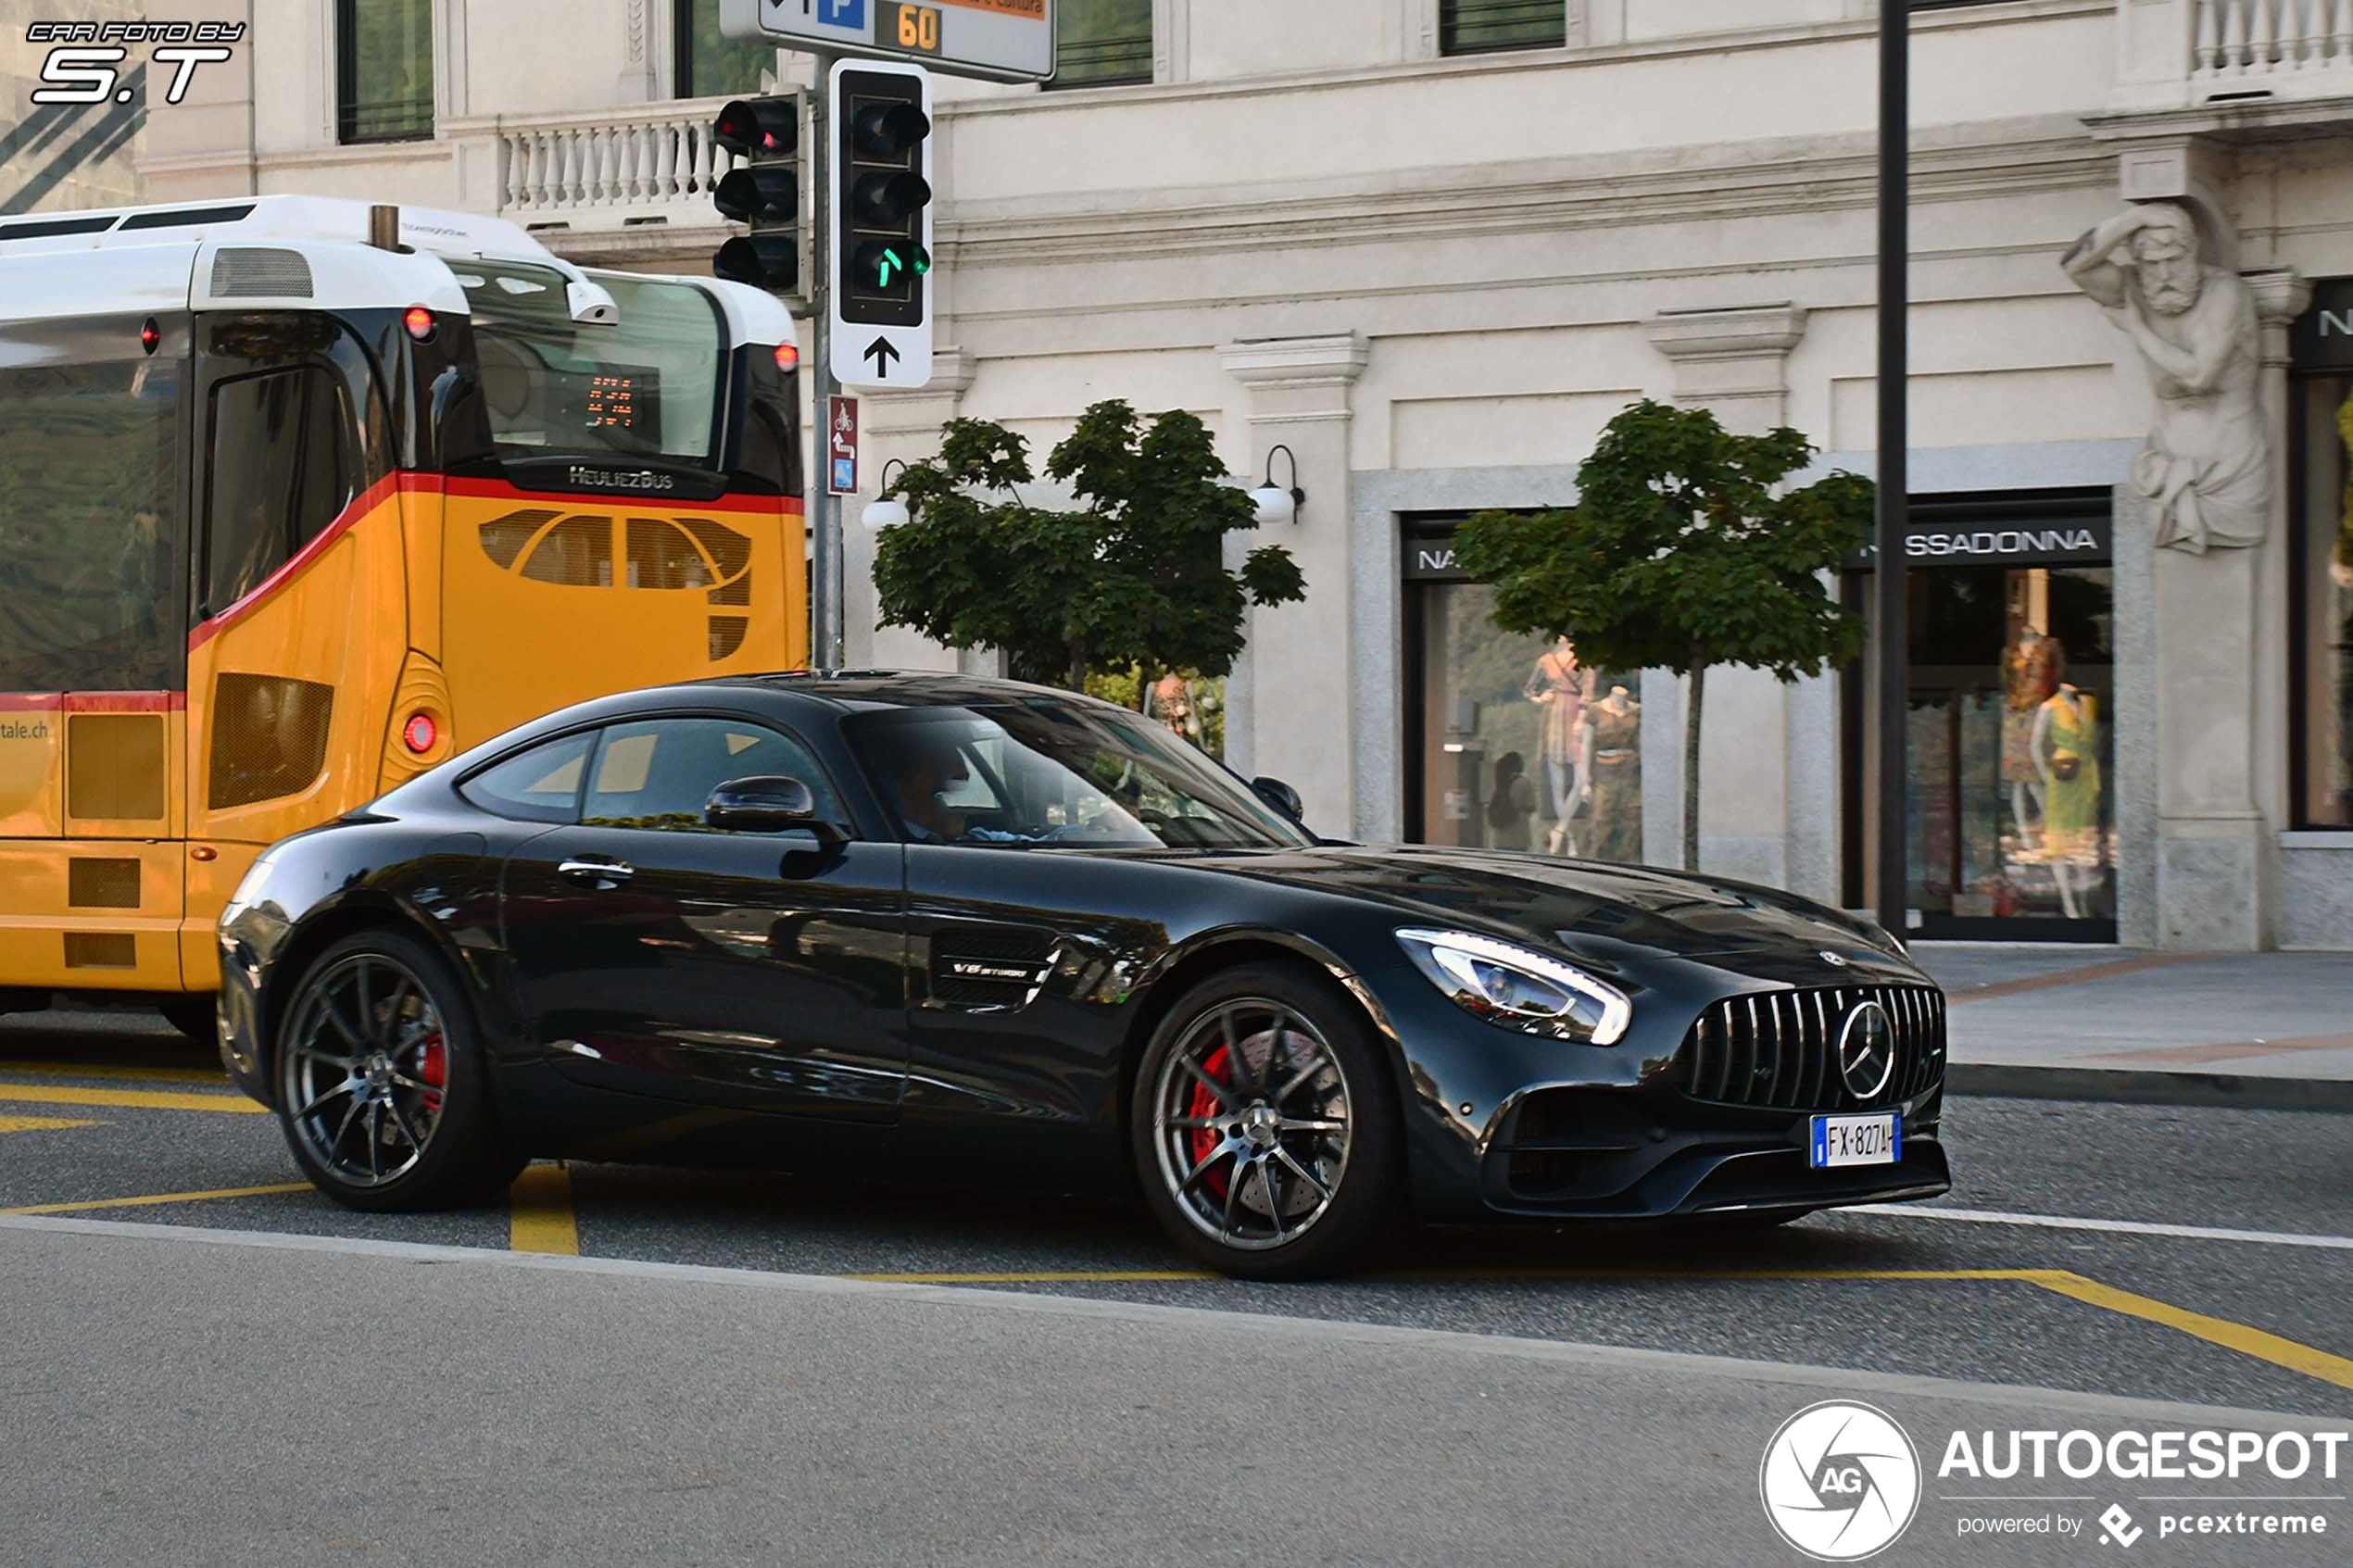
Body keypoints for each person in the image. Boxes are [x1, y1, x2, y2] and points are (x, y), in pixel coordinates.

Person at [2061, 202, 2267, 554]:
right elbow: (2074, 265)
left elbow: (2200, 376)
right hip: (2166, 463)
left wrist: (2136, 329)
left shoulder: (2223, 292)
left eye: (2173, 259)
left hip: (2230, 465)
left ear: (2193, 252)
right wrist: (2135, 218)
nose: (2165, 274)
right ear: (2138, 264)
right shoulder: (2133, 287)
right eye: (2152, 264)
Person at [1522, 635, 1588, 854]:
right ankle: (1568, 838)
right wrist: (1540, 698)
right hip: (1553, 714)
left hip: (1575, 716)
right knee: (1557, 780)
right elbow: (1529, 688)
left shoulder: (1585, 658)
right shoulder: (1546, 659)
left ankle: (1559, 831)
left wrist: (1581, 718)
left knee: (1580, 778)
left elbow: (1588, 693)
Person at [1484, 751, 1537, 851]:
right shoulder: (1523, 782)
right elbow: (1531, 806)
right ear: (1517, 765)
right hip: (1518, 839)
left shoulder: (1499, 782)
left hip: (1499, 839)